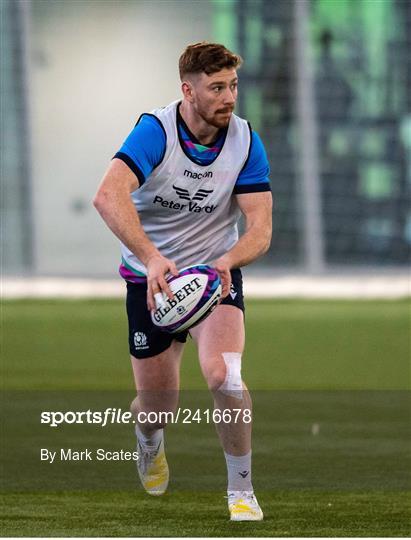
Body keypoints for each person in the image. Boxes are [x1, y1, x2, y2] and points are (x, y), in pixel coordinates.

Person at [93, 42, 272, 521]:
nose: (228, 96)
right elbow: (108, 196)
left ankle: (242, 491)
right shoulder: (155, 131)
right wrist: (152, 259)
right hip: (151, 279)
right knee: (159, 406)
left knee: (225, 375)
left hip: (214, 275)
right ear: (187, 90)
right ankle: (148, 441)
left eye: (233, 85)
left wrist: (227, 261)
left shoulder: (245, 142)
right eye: (216, 87)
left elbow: (261, 229)